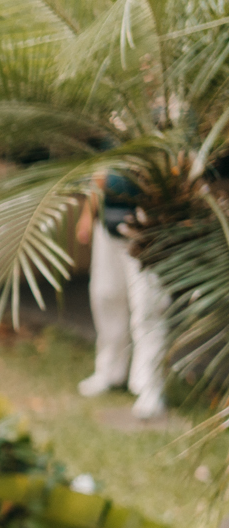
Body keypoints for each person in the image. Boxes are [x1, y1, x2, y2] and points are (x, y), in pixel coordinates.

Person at [76, 170, 170, 420]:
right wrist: (87, 214)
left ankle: (150, 388)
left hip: (147, 224)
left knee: (148, 307)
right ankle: (110, 372)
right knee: (105, 295)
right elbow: (99, 172)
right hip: (108, 224)